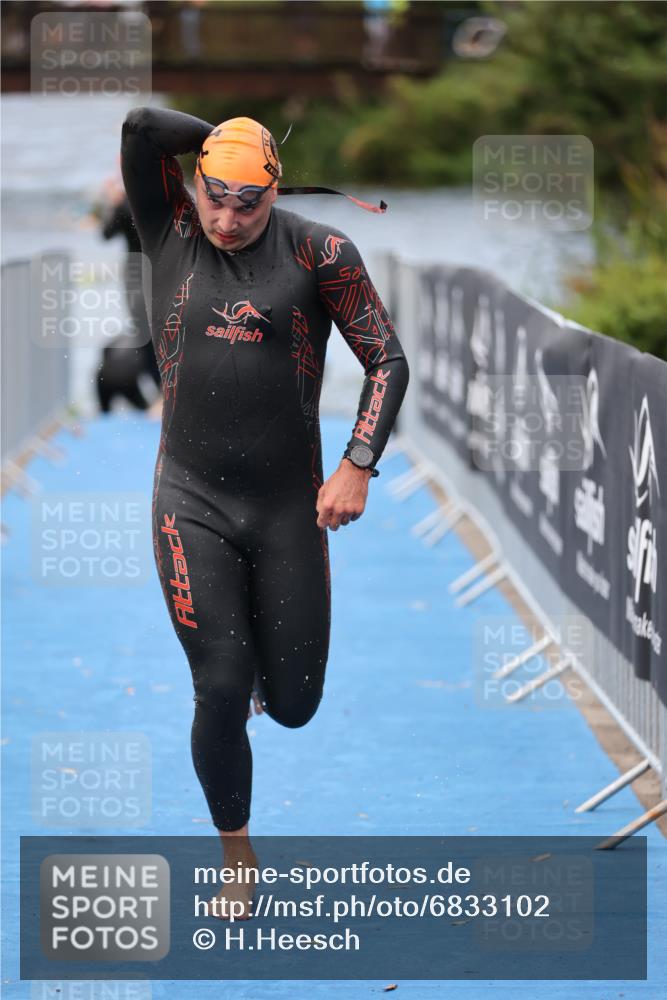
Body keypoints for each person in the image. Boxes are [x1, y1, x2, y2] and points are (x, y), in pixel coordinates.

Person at [121, 107, 409, 918]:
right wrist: (229, 135)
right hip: (190, 500)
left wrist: (356, 465)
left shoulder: (319, 252)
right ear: (197, 186)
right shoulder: (170, 230)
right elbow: (141, 128)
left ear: (274, 193)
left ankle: (257, 675)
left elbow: (385, 359)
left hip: (287, 507)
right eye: (215, 197)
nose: (226, 218)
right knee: (219, 683)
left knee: (293, 706)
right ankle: (236, 855)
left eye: (246, 203)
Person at [96, 188, 162, 413]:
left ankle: (160, 396)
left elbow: (106, 233)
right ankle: (160, 394)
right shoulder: (160, 197)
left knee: (147, 337)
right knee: (159, 334)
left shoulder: (126, 203)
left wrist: (114, 204)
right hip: (161, 270)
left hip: (137, 275)